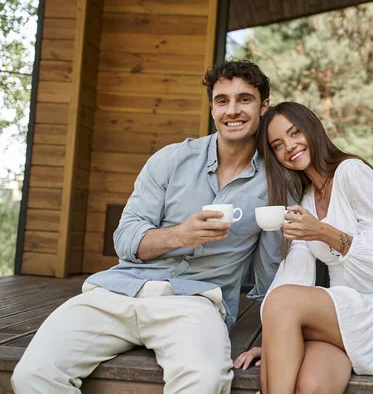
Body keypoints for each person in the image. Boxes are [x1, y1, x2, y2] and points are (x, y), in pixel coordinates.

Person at [11, 60, 282, 394]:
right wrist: (181, 234)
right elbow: (125, 238)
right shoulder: (171, 160)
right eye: (222, 100)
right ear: (212, 107)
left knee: (204, 380)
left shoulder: (273, 183)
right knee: (32, 375)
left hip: (195, 304)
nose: (232, 110)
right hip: (118, 292)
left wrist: (273, 340)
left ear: (263, 106)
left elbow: (271, 270)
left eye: (245, 99)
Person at [233, 102, 373, 394]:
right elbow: (293, 278)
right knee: (312, 385)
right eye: (278, 144)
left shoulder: (351, 172)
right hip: (343, 321)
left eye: (295, 133)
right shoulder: (305, 198)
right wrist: (276, 341)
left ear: (312, 129)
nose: (289, 146)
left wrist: (324, 232)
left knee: (281, 302)